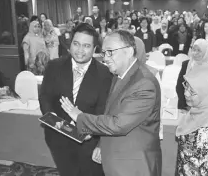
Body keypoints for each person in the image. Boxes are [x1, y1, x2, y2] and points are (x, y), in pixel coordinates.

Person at [59, 30, 162, 176]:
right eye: (103, 53)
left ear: (129, 51)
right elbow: (110, 113)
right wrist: (100, 141)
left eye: (110, 52)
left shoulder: (143, 83)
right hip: (118, 160)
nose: (105, 58)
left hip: (134, 166)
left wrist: (80, 117)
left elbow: (118, 124)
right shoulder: (119, 75)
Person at [39, 23, 113, 176]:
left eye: (86, 46)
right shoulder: (54, 66)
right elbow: (45, 98)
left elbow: (104, 110)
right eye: (76, 44)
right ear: (70, 44)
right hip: (58, 137)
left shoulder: (104, 74)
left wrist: (97, 139)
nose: (80, 50)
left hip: (89, 142)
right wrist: (60, 126)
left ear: (94, 49)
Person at [176, 39, 208, 111]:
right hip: (185, 106)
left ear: (205, 52)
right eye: (194, 50)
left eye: (199, 50)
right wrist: (186, 105)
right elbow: (179, 86)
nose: (195, 53)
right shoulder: (186, 65)